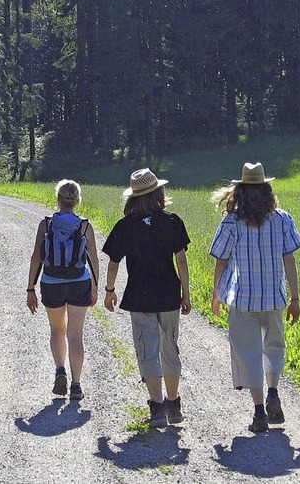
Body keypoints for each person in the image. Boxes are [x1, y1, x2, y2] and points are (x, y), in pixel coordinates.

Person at [209, 162, 300, 433]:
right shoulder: (283, 219)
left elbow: (221, 261)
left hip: (243, 299)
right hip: (274, 297)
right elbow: (289, 259)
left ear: (239, 191)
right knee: (273, 347)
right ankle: (273, 391)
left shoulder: (231, 222)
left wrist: (217, 294)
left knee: (247, 353)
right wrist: (294, 298)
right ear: (267, 189)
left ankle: (259, 411)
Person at [102, 168, 191, 428]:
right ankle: (174, 404)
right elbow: (181, 261)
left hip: (140, 295)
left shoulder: (125, 226)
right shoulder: (172, 221)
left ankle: (157, 409)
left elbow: (114, 262)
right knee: (170, 348)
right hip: (169, 293)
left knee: (147, 350)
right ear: (159, 193)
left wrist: (109, 291)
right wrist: (186, 293)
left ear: (132, 197)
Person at [26, 179, 99, 401]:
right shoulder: (85, 226)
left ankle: (60, 370)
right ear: (77, 200)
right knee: (75, 336)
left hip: (51, 281)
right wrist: (94, 287)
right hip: (79, 282)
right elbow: (93, 261)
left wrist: (30, 288)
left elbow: (36, 258)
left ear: (57, 198)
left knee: (57, 330)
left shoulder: (46, 224)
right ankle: (76, 385)